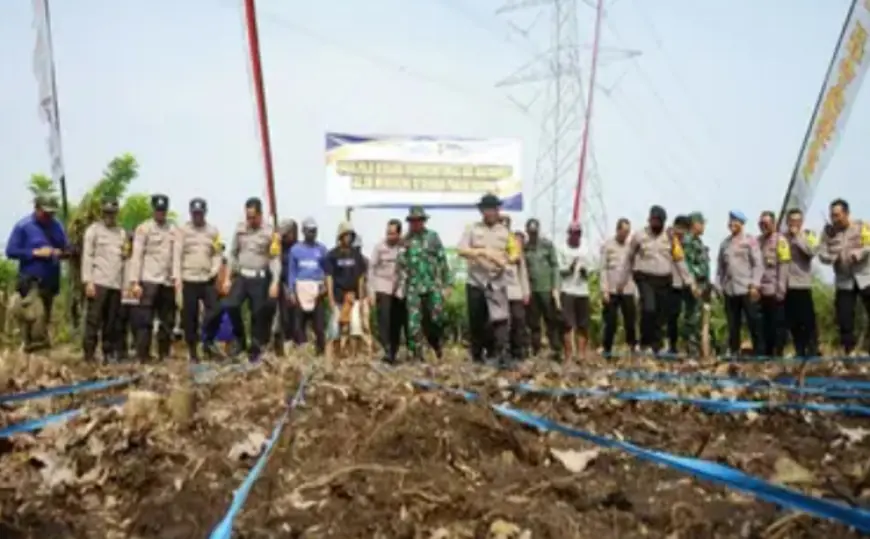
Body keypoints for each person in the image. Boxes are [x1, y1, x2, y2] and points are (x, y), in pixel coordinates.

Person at [623, 205, 694, 354]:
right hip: (644, 277)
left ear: (663, 221)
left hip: (663, 280)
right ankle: (645, 342)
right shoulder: (639, 235)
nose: (654, 224)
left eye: (658, 221)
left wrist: (689, 282)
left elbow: (679, 260)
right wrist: (623, 279)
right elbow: (629, 257)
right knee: (649, 308)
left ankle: (655, 345)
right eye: (652, 220)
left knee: (660, 315)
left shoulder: (670, 237)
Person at [5, 195, 70, 352]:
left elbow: (67, 249)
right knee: (35, 316)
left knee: (44, 317)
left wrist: (57, 252)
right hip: (30, 280)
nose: (49, 216)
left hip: (50, 281)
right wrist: (34, 253)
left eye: (52, 213)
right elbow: (11, 251)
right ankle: (34, 350)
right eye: (46, 212)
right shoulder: (23, 226)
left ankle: (32, 351)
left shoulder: (57, 226)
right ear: (37, 209)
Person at [457, 195, 514, 365]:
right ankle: (477, 356)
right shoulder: (473, 229)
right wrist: (481, 252)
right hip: (476, 281)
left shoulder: (505, 232)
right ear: (482, 211)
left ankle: (499, 354)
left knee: (499, 320)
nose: (491, 212)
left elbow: (514, 253)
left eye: (494, 209)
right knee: (477, 321)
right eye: (487, 209)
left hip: (497, 282)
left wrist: (505, 261)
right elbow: (461, 250)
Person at [224, 197, 282, 362]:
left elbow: (275, 258)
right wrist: (228, 278)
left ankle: (255, 348)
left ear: (260, 215)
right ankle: (240, 340)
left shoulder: (271, 232)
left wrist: (275, 282)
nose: (249, 220)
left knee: (258, 314)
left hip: (260, 278)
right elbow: (232, 253)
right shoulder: (240, 228)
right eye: (247, 217)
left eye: (252, 217)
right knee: (231, 305)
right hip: (242, 276)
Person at [398, 206, 452, 361]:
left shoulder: (433, 237)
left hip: (432, 285)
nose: (416, 224)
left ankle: (437, 345)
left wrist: (447, 284)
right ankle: (417, 355)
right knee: (413, 323)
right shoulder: (406, 240)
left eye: (419, 220)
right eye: (413, 221)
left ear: (423, 221)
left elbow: (442, 260)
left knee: (436, 318)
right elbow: (400, 264)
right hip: (413, 287)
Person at [173, 198, 224, 361]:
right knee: (189, 316)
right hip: (188, 278)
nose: (197, 217)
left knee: (216, 310)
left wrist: (215, 270)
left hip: (206, 278)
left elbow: (217, 253)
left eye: (200, 213)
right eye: (195, 214)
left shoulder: (213, 231)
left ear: (204, 213)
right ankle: (193, 350)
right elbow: (177, 254)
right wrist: (177, 278)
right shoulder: (182, 231)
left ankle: (207, 340)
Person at [818, 198, 870, 356]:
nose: (834, 218)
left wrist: (859, 253)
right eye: (832, 215)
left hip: (865, 278)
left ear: (847, 214)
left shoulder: (862, 226)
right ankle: (849, 353)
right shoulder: (828, 232)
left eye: (837, 215)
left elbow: (869, 245)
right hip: (843, 280)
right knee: (844, 318)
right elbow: (821, 253)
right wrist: (831, 258)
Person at [129, 194, 177, 362]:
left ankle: (164, 354)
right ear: (153, 210)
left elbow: (176, 256)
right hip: (148, 279)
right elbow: (137, 256)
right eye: (158, 210)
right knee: (145, 321)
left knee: (167, 320)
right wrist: (134, 282)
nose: (161, 214)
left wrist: (176, 278)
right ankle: (143, 355)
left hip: (166, 281)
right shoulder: (144, 228)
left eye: (163, 211)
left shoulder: (173, 229)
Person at [80, 197, 125, 362]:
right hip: (98, 282)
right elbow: (87, 257)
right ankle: (89, 354)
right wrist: (88, 281)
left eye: (112, 213)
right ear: (102, 213)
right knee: (93, 320)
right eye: (106, 213)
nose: (109, 216)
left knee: (111, 322)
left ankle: (108, 353)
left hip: (115, 283)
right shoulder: (93, 231)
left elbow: (124, 256)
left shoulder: (121, 232)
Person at [716, 210, 763, 356]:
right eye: (730, 221)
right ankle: (734, 353)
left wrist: (755, 285)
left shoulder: (750, 241)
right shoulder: (725, 243)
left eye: (735, 221)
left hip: (747, 289)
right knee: (732, 325)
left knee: (753, 322)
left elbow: (758, 264)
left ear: (742, 223)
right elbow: (720, 268)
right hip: (730, 290)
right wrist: (719, 286)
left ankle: (759, 353)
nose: (732, 224)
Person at [522, 218, 563, 360]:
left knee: (551, 320)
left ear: (538, 231)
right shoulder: (524, 248)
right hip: (532, 290)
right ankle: (536, 350)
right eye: (530, 232)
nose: (533, 234)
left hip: (547, 289)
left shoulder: (547, 245)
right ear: (527, 232)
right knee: (533, 323)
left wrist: (555, 287)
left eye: (535, 232)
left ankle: (556, 350)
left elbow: (555, 266)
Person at [324, 221, 367, 354]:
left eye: (350, 235)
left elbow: (361, 278)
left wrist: (360, 298)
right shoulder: (332, 255)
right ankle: (334, 356)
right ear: (341, 236)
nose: (348, 238)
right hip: (337, 296)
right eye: (346, 235)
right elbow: (329, 277)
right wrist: (330, 298)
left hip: (353, 296)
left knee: (355, 327)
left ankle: (353, 356)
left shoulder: (357, 255)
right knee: (335, 329)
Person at [287, 218, 328, 355]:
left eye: (314, 231)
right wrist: (292, 291)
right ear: (304, 231)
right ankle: (303, 352)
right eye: (309, 230)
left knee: (319, 326)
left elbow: (326, 270)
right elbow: (292, 272)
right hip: (301, 288)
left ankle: (321, 352)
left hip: (317, 289)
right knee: (299, 325)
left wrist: (324, 286)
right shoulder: (295, 250)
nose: (312, 233)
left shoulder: (321, 249)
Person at [783, 208, 820, 357]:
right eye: (792, 221)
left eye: (797, 221)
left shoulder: (808, 235)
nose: (794, 223)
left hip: (802, 284)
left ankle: (812, 350)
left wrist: (797, 237)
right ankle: (799, 350)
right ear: (787, 222)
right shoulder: (782, 238)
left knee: (807, 321)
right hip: (786, 285)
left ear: (802, 222)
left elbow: (811, 252)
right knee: (792, 321)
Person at [369, 219, 406, 363]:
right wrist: (371, 290)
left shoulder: (403, 247)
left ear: (399, 234)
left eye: (393, 233)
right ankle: (387, 349)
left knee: (396, 322)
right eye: (388, 233)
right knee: (384, 320)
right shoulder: (379, 247)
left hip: (398, 289)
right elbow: (371, 269)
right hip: (382, 286)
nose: (389, 236)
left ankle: (394, 350)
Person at [599, 218, 637, 356]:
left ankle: (632, 348)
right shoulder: (608, 246)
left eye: (628, 231)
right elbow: (602, 269)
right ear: (618, 230)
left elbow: (634, 268)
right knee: (611, 322)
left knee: (630, 321)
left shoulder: (630, 247)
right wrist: (604, 290)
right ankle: (607, 350)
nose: (626, 234)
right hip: (612, 290)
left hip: (627, 289)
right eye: (624, 231)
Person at [756, 211, 789, 357]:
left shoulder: (781, 241)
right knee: (764, 325)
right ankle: (767, 354)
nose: (764, 226)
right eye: (761, 224)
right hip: (761, 290)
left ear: (774, 224)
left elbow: (784, 266)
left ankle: (778, 353)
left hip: (775, 289)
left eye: (766, 223)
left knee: (777, 324)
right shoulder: (758, 241)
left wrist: (781, 290)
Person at [558, 221, 592, 360]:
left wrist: (585, 271)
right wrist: (570, 267)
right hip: (567, 290)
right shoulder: (562, 249)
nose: (575, 236)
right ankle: (568, 354)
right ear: (569, 233)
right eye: (573, 233)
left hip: (582, 290)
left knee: (583, 324)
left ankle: (581, 354)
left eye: (578, 233)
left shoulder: (586, 248)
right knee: (567, 324)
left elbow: (592, 267)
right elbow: (560, 270)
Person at [682, 212, 711, 356]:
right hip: (695, 285)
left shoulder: (698, 241)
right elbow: (687, 265)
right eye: (702, 223)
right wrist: (693, 284)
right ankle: (691, 351)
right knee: (692, 317)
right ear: (695, 224)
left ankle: (698, 350)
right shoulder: (688, 241)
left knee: (699, 318)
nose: (704, 226)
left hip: (702, 285)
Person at [502, 217, 530, 362]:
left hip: (515, 291)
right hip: (498, 291)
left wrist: (526, 291)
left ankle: (518, 352)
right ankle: (502, 353)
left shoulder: (515, 245)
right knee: (501, 325)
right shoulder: (494, 244)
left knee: (518, 321)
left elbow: (522, 271)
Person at [667, 216, 692, 354]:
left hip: (678, 284)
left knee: (674, 316)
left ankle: (673, 346)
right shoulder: (667, 238)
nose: (683, 233)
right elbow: (680, 262)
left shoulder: (683, 242)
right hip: (664, 283)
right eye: (681, 229)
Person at [274, 219, 299, 356]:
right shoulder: (277, 247)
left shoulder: (297, 248)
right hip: (279, 286)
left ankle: (293, 348)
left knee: (293, 320)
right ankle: (278, 348)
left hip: (295, 288)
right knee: (280, 319)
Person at [117, 229, 137, 361]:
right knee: (120, 325)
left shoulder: (138, 260)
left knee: (136, 325)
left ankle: (135, 349)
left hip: (135, 297)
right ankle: (120, 351)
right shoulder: (121, 259)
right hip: (121, 295)